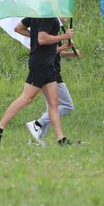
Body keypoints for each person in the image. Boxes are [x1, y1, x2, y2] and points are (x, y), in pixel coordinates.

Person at [0, 17, 75, 146]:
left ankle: (61, 139)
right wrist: (63, 36)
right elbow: (42, 39)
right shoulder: (47, 17)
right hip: (40, 64)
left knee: (53, 103)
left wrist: (62, 45)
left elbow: (18, 28)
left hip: (48, 64)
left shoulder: (36, 14)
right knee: (27, 98)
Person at [24, 18, 79, 146]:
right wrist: (64, 42)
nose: (65, 18)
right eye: (62, 15)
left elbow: (57, 53)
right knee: (66, 106)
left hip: (51, 71)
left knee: (52, 107)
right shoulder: (49, 26)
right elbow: (50, 51)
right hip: (50, 72)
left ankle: (36, 140)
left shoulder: (54, 29)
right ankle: (37, 123)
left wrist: (70, 54)